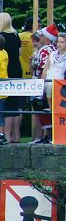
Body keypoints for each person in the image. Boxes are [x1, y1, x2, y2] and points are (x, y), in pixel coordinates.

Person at [0, 13, 23, 143]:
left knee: (7, 104)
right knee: (16, 102)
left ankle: (7, 136)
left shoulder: (2, 37)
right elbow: (19, 53)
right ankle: (16, 135)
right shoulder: (16, 36)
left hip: (5, 70)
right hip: (17, 69)